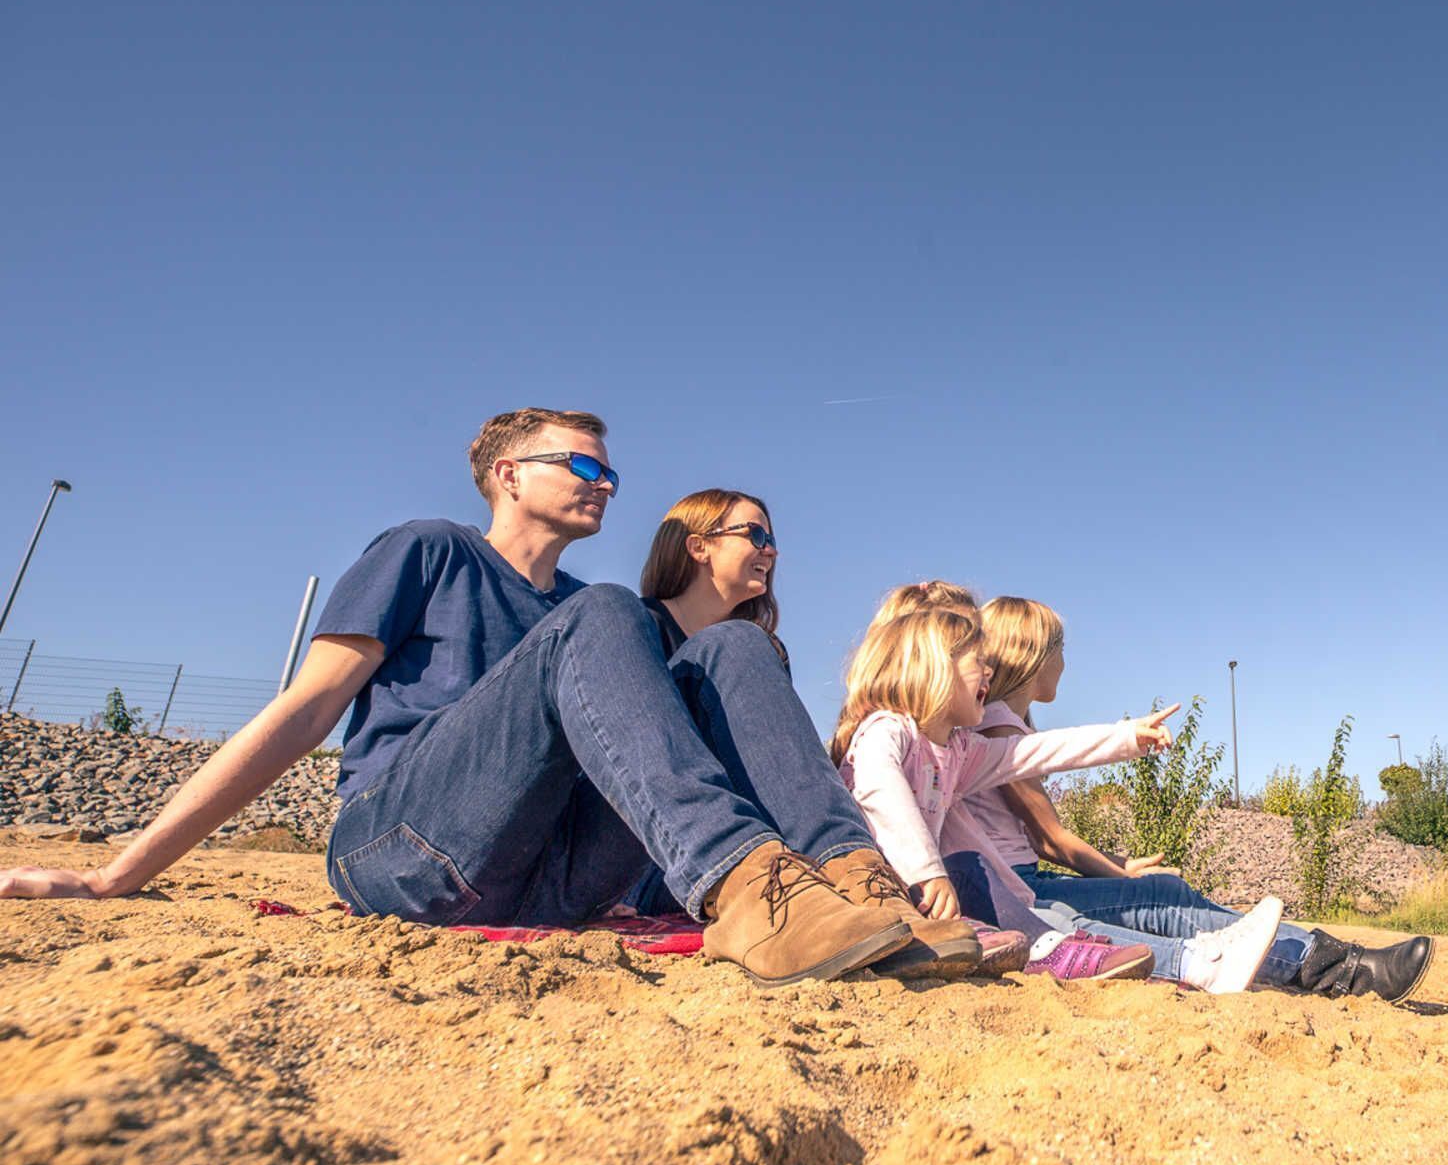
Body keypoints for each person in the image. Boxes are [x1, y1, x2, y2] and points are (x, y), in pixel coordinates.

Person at [0, 410, 973, 988]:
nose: (605, 480)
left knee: (730, 644)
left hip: (545, 874)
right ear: (510, 473)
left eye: (612, 471)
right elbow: (304, 710)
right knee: (606, 616)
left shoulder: (605, 625)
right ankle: (748, 890)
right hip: (402, 842)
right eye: (582, 463)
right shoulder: (432, 550)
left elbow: (653, 768)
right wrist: (122, 871)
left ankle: (854, 885)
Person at [631, 488, 1027, 977]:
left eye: (771, 538)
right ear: (698, 546)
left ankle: (856, 879)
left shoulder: (757, 654)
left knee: (742, 644)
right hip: (659, 855)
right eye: (754, 534)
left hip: (756, 852)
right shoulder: (636, 633)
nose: (770, 550)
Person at [974, 595, 1436, 1003]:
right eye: (1059, 649)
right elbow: (1051, 840)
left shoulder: (1000, 726)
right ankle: (1340, 969)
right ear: (1031, 657)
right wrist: (1120, 870)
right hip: (1021, 887)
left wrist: (1122, 865)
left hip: (1021, 878)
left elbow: (1035, 839)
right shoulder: (999, 730)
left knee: (1164, 894)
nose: (1064, 663)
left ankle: (1331, 960)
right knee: (1165, 904)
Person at [831, 607, 1286, 992]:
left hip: (929, 895)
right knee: (977, 876)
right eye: (976, 662)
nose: (988, 672)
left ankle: (1176, 962)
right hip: (883, 892)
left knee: (977, 873)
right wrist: (927, 873)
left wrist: (1127, 736)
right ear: (932, 667)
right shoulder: (887, 731)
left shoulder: (957, 753)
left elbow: (1038, 751)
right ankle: (1181, 962)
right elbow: (879, 789)